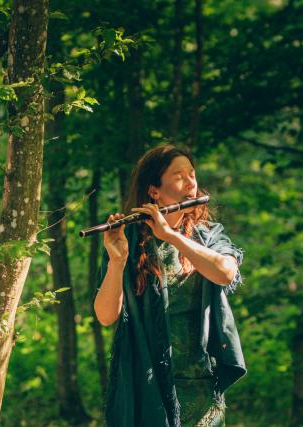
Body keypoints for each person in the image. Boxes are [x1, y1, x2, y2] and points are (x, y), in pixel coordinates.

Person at [93, 144, 246, 426]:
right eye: (179, 176)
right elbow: (105, 316)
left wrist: (170, 234)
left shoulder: (207, 236)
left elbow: (225, 272)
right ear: (154, 191)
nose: (191, 183)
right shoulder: (126, 240)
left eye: (192, 174)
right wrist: (117, 261)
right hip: (147, 386)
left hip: (200, 387)